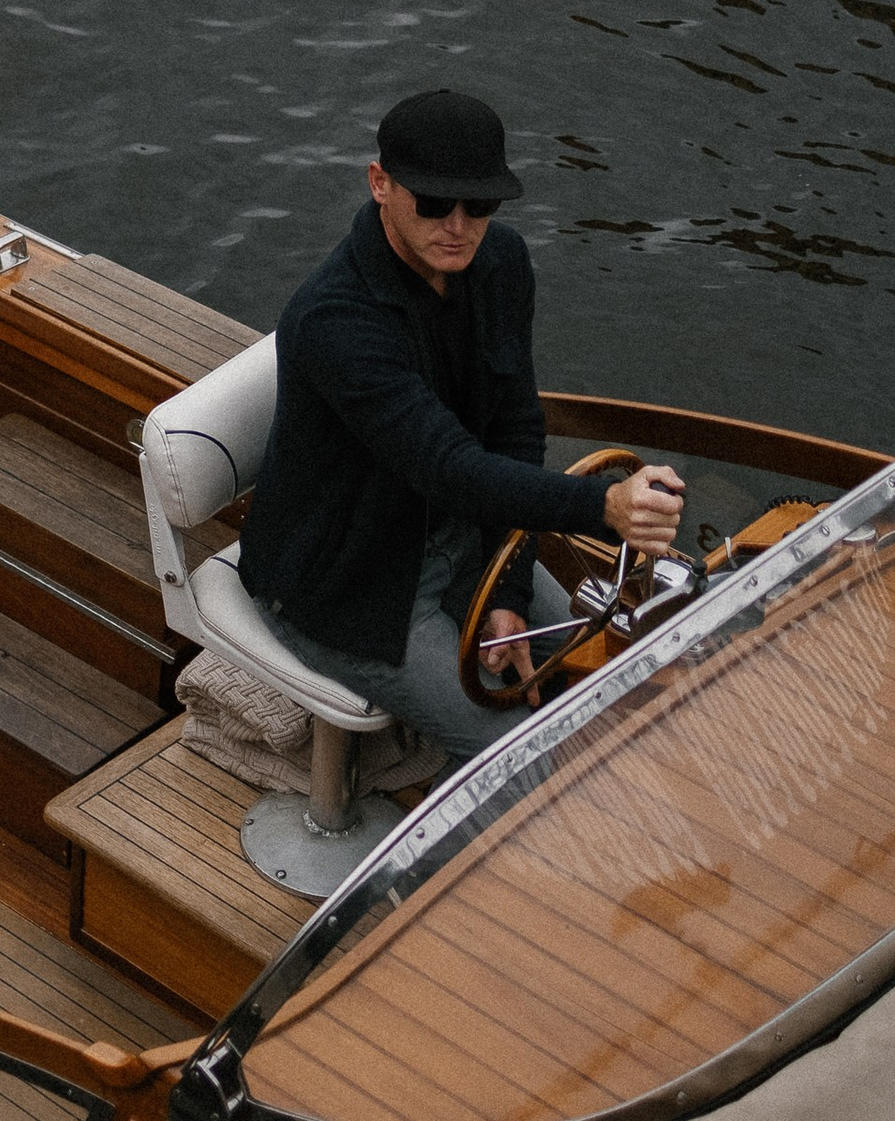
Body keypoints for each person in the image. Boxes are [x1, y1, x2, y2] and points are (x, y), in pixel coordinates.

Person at [237, 88, 686, 760]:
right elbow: (450, 467)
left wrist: (502, 587)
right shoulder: (336, 320)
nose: (458, 225)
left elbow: (514, 428)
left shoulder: (501, 265)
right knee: (520, 757)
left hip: (464, 535)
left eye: (479, 205)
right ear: (380, 184)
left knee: (612, 682)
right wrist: (605, 507)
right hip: (350, 584)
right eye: (434, 203)